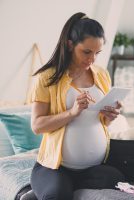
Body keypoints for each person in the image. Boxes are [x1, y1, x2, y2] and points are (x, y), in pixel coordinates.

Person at [30, 12, 125, 200]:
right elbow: (37, 126)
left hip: (93, 168)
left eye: (97, 53)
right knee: (57, 195)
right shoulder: (47, 78)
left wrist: (109, 116)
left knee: (118, 179)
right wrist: (72, 112)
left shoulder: (101, 74)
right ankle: (47, 186)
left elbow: (101, 123)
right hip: (56, 166)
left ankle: (53, 188)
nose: (92, 59)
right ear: (70, 44)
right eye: (87, 52)